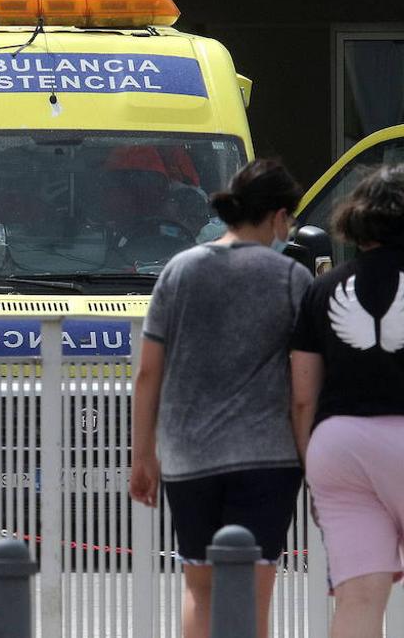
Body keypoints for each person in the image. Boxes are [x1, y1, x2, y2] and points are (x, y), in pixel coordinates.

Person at [130, 158, 312, 638]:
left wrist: (143, 456)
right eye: (288, 219)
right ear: (278, 216)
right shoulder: (292, 279)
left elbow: (148, 372)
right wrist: (309, 460)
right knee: (254, 592)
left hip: (188, 455)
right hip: (267, 458)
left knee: (200, 589)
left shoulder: (179, 270)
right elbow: (301, 389)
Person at [291, 165, 404, 638]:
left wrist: (310, 467)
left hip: (337, 448)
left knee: (358, 599)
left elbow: (301, 397)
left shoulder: (322, 289)